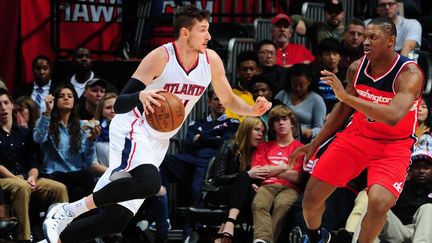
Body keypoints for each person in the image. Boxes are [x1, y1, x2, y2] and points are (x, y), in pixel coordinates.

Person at [42, 5, 271, 243]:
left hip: (159, 139)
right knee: (150, 183)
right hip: (134, 127)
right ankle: (67, 210)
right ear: (185, 33)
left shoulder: (210, 60)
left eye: (208, 29)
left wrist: (253, 109)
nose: (209, 36)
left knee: (115, 219)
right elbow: (120, 103)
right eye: (203, 30)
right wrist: (140, 96)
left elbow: (229, 99)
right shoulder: (161, 57)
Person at [290, 17, 424, 243]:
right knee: (311, 197)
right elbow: (343, 109)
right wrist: (316, 142)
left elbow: (392, 116)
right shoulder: (357, 67)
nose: (366, 42)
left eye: (374, 37)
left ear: (391, 41)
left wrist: (346, 97)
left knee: (379, 202)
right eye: (365, 37)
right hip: (357, 137)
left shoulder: (409, 74)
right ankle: (316, 237)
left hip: (394, 145)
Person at [152, 89, 239, 241]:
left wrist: (202, 137)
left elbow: (226, 142)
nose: (220, 103)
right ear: (209, 101)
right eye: (216, 99)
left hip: (212, 162)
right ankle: (162, 218)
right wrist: (212, 137)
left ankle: (190, 232)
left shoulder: (232, 122)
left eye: (223, 100)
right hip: (190, 159)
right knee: (163, 162)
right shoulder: (197, 122)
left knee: (196, 188)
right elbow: (188, 144)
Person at [0, 88, 68, 243]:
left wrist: (31, 177)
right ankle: (24, 238)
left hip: (27, 179)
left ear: (12, 105)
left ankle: (62, 234)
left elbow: (33, 161)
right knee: (22, 188)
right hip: (5, 180)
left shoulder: (24, 132)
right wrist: (21, 181)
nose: (3, 108)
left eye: (5, 103)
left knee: (59, 188)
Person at [202, 116, 267, 242]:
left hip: (238, 193)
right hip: (216, 191)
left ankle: (224, 232)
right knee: (244, 177)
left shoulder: (256, 151)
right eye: (257, 130)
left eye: (263, 132)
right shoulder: (228, 145)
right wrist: (247, 177)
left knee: (252, 194)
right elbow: (218, 177)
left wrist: (249, 182)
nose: (261, 135)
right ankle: (230, 223)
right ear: (247, 130)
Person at [33, 84, 100, 202]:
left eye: (70, 96)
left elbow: (89, 161)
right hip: (54, 175)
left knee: (78, 193)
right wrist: (47, 112)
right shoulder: (45, 121)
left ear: (74, 101)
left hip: (76, 175)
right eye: (61, 96)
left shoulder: (82, 126)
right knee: (87, 177)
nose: (66, 98)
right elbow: (39, 139)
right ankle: (99, 214)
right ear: (54, 100)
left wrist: (91, 140)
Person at [251, 105, 304, 243]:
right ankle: (262, 240)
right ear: (272, 126)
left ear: (292, 123)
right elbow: (258, 171)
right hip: (267, 186)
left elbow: (297, 177)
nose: (281, 122)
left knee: (283, 204)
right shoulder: (264, 146)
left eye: (284, 119)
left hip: (290, 188)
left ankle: (267, 240)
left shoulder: (300, 149)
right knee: (259, 203)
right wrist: (284, 167)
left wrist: (271, 169)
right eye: (276, 120)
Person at [275, 64, 326, 143]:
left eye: (301, 85)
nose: (298, 88)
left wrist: (311, 132)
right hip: (281, 137)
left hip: (304, 140)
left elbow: (320, 128)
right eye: (294, 85)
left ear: (309, 81)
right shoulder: (282, 95)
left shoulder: (317, 100)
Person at [225, 51, 258, 121]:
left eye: (251, 69)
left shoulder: (264, 91)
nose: (248, 72)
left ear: (257, 70)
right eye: (245, 69)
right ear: (238, 70)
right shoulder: (232, 93)